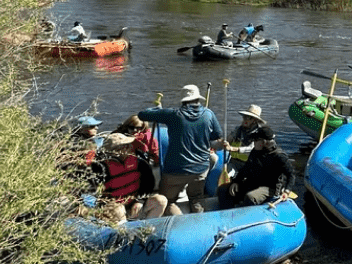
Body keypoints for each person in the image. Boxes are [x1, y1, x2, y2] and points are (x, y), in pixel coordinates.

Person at [139, 84, 226, 214]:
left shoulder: (173, 114)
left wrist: (157, 110)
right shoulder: (209, 114)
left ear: (183, 100)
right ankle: (198, 223)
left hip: (175, 170)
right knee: (196, 199)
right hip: (200, 169)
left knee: (168, 201)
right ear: (198, 99)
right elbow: (217, 137)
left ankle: (178, 222)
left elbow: (142, 114)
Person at [88, 132, 167, 223]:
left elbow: (148, 185)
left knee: (161, 200)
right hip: (112, 208)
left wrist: (140, 201)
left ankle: (147, 228)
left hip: (133, 204)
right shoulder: (99, 167)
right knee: (118, 209)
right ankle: (125, 234)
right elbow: (93, 193)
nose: (128, 148)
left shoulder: (140, 163)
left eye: (127, 145)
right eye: (123, 146)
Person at [218, 124, 294, 208]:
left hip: (270, 188)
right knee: (223, 189)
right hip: (254, 182)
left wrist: (287, 191)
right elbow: (246, 168)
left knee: (251, 197)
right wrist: (236, 181)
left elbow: (291, 175)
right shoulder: (255, 152)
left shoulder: (279, 156)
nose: (253, 142)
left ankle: (243, 216)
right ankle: (226, 212)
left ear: (264, 142)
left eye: (255, 140)